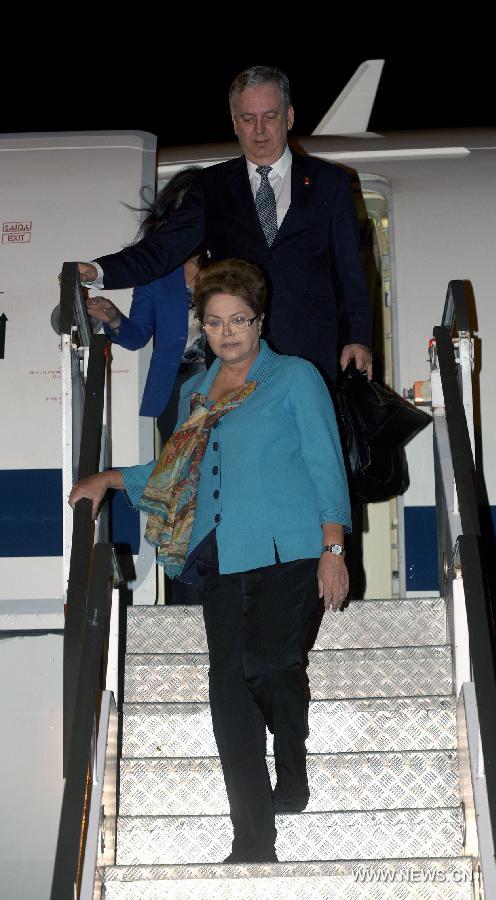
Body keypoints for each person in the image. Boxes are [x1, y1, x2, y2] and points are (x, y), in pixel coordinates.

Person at [69, 259, 351, 863]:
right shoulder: (195, 391)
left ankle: (293, 764)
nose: (227, 332)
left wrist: (334, 549)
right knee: (228, 692)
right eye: (215, 321)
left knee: (270, 662)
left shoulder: (295, 378)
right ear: (203, 325)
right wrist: (111, 478)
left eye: (239, 320)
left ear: (260, 320)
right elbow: (175, 473)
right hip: (221, 553)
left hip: (290, 550)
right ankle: (252, 839)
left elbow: (327, 464)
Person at [74, 65, 372, 386]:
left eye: (270, 117)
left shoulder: (331, 183)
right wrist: (97, 271)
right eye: (248, 119)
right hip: (237, 360)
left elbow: (350, 275)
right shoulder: (210, 186)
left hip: (311, 355)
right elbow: (161, 250)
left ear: (289, 117)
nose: (259, 131)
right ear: (234, 123)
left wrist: (358, 338)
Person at [86, 168, 206, 443]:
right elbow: (138, 335)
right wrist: (113, 317)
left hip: (230, 382)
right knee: (177, 476)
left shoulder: (230, 259)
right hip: (176, 388)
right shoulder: (154, 270)